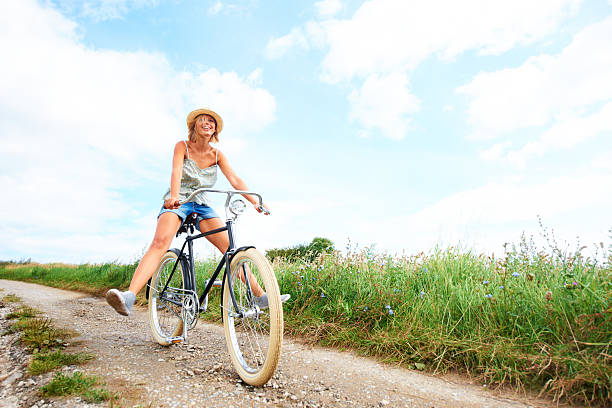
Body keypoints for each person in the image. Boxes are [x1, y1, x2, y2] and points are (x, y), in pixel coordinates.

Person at [106, 108, 289, 316]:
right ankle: (129, 296)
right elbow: (176, 172)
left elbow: (235, 180)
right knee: (160, 242)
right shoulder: (182, 146)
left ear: (215, 130)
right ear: (194, 126)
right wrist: (174, 197)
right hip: (180, 200)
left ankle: (259, 295)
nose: (207, 123)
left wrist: (255, 202)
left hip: (202, 203)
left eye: (211, 122)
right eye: (202, 120)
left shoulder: (217, 154)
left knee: (231, 249)